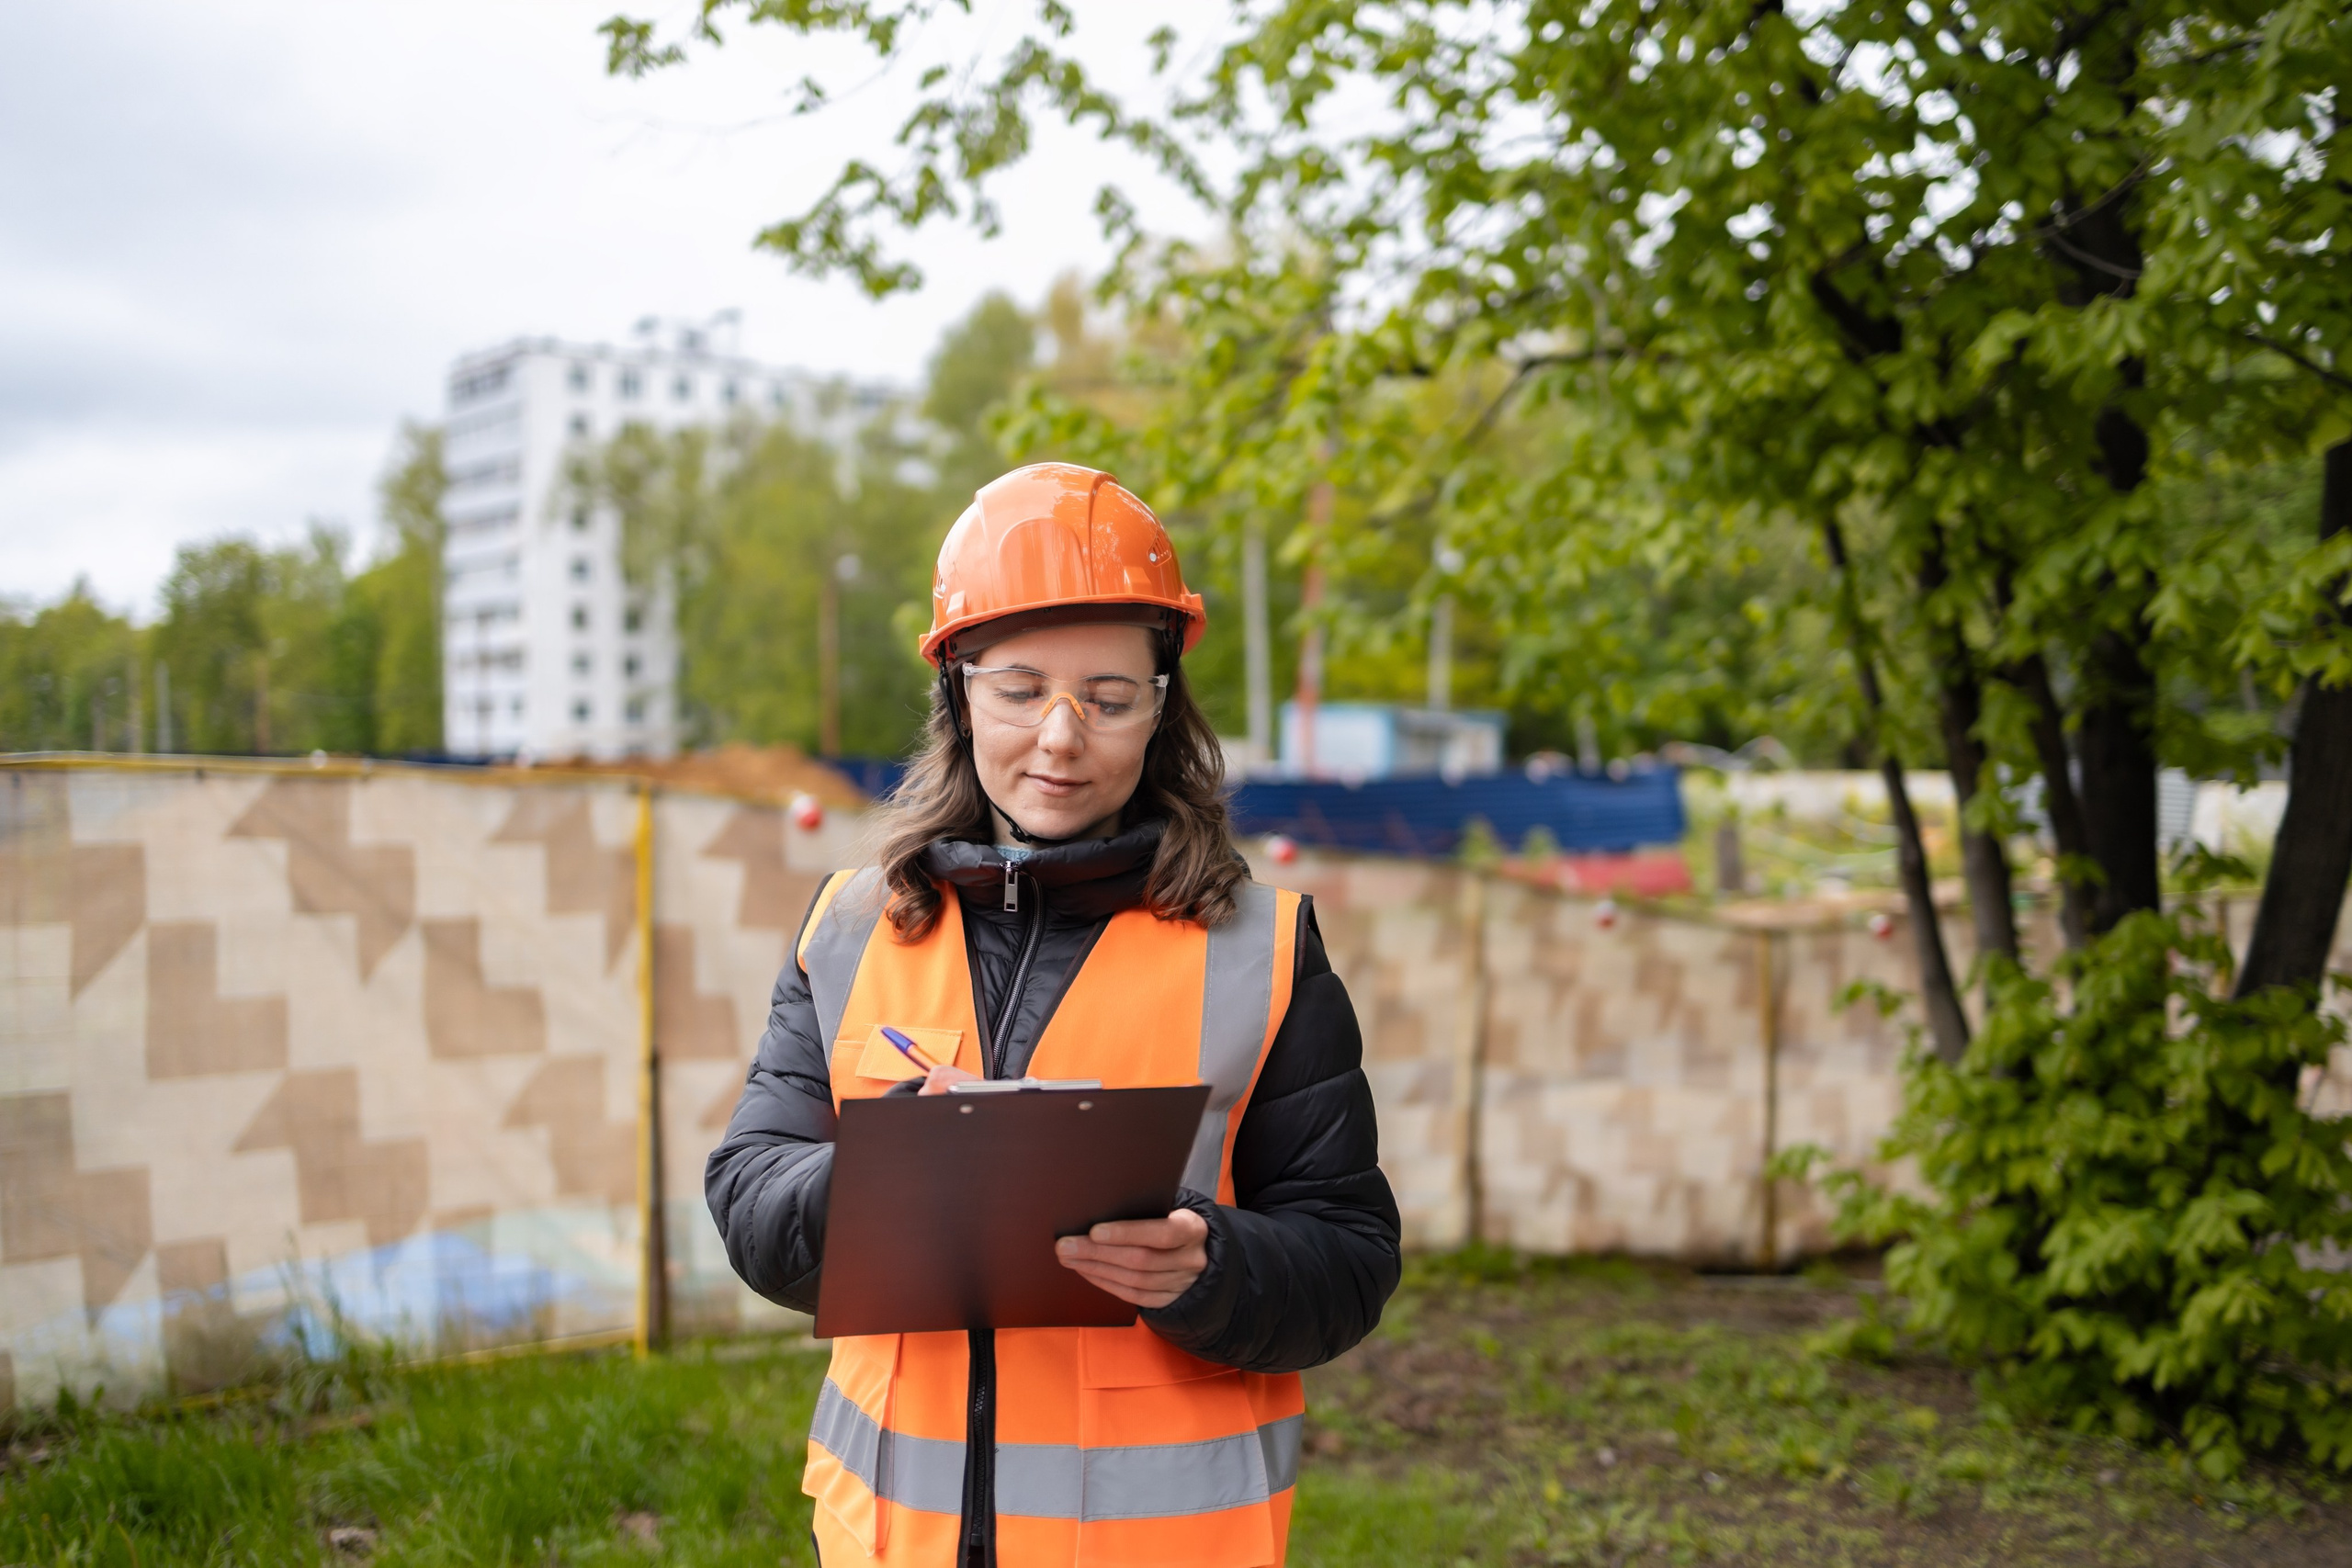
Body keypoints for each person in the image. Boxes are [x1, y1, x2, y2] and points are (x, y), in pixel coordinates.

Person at [707, 462, 1401, 1567]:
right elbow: (750, 1198)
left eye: (1108, 698)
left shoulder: (1261, 956)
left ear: (1160, 711)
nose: (1062, 737)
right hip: (890, 1544)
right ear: (959, 694)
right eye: (1021, 689)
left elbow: (1350, 1259)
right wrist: (885, 1179)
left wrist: (1210, 1268)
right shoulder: (848, 933)